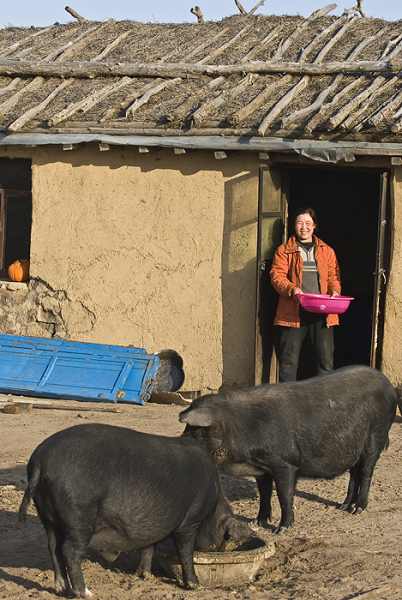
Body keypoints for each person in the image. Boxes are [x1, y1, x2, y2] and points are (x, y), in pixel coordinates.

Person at [270, 207, 341, 382]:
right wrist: (292, 289)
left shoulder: (327, 251)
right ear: (294, 226)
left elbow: (333, 276)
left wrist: (335, 290)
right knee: (288, 363)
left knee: (325, 363)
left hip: (322, 312)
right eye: (300, 223)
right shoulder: (284, 250)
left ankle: (325, 402)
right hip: (293, 312)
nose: (304, 227)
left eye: (308, 223)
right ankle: (288, 403)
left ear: (314, 226)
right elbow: (276, 276)